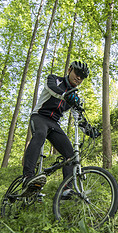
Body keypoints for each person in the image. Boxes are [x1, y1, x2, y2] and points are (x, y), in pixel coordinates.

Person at [21, 61, 90, 196]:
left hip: (54, 124)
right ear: (70, 70)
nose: (79, 78)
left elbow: (79, 117)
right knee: (40, 134)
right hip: (39, 117)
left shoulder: (74, 97)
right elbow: (52, 89)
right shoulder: (54, 79)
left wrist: (89, 130)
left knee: (70, 154)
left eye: (82, 77)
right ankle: (27, 177)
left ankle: (66, 189)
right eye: (77, 74)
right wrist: (66, 95)